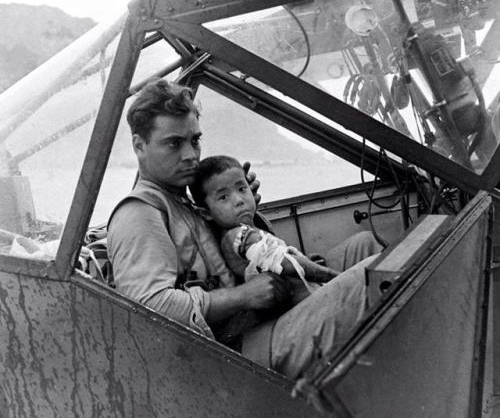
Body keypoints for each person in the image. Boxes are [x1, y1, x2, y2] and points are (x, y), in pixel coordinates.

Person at [107, 79, 382, 379]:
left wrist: (244, 215)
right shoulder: (139, 214)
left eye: (195, 141)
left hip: (255, 318)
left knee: (364, 246)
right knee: (372, 278)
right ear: (139, 146)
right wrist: (243, 296)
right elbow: (149, 308)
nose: (191, 155)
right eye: (174, 143)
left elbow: (231, 254)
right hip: (238, 354)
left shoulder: (181, 198)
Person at [189, 155, 339, 306]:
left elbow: (283, 257)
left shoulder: (247, 228)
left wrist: (303, 258)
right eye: (224, 197)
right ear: (206, 213)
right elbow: (286, 264)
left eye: (242, 189)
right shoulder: (236, 236)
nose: (239, 200)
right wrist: (336, 277)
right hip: (304, 303)